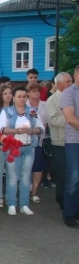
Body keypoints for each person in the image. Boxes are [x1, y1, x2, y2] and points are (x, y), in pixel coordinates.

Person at [0, 86, 45, 216]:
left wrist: (32, 131)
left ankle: (24, 204)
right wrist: (15, 131)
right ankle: (11, 203)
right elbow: (1, 128)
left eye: (24, 96)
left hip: (29, 147)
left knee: (26, 177)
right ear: (14, 98)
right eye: (19, 96)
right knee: (12, 177)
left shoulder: (33, 112)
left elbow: (41, 128)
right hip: (13, 148)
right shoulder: (6, 112)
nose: (22, 99)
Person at [46, 72, 73, 210]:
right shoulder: (52, 100)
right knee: (62, 174)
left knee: (74, 174)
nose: (70, 84)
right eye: (67, 82)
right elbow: (52, 119)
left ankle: (72, 202)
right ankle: (62, 201)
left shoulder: (74, 97)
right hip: (60, 142)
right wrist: (71, 120)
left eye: (71, 81)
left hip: (74, 141)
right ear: (58, 84)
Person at [60, 65, 79, 228]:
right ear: (76, 74)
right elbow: (70, 119)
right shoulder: (68, 93)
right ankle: (69, 213)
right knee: (74, 176)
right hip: (74, 141)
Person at [26, 83, 47, 203]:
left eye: (38, 91)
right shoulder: (23, 105)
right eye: (33, 91)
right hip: (27, 140)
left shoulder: (45, 104)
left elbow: (48, 119)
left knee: (38, 166)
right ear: (28, 93)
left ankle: (34, 191)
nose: (36, 93)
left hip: (41, 139)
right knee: (26, 166)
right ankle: (26, 187)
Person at [0, 84, 13, 208]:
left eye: (10, 93)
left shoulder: (15, 109)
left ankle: (9, 196)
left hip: (12, 144)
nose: (8, 95)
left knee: (12, 171)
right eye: (5, 93)